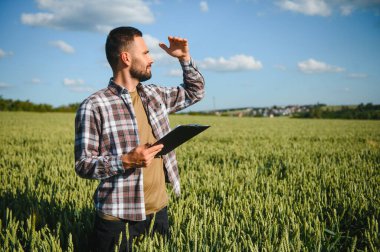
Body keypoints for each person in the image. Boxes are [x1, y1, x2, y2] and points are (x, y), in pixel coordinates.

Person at [74, 26, 205, 251]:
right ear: (126, 58)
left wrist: (184, 59)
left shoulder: (154, 94)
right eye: (145, 53)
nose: (151, 59)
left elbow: (195, 92)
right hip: (117, 218)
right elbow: (83, 164)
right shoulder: (94, 105)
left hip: (158, 212)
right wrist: (127, 160)